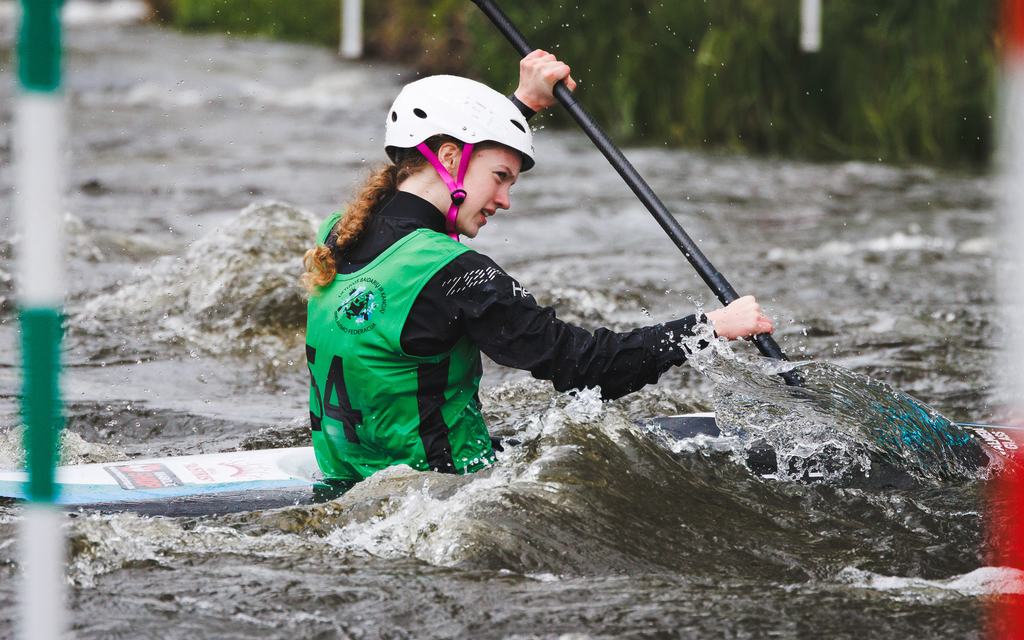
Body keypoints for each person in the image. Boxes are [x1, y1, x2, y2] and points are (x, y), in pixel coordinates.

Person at [301, 50, 774, 486]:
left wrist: (520, 105)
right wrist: (709, 328)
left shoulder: (339, 232)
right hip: (440, 489)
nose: (505, 200)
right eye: (501, 178)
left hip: (350, 476)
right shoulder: (454, 272)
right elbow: (585, 366)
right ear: (448, 157)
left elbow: (441, 182)